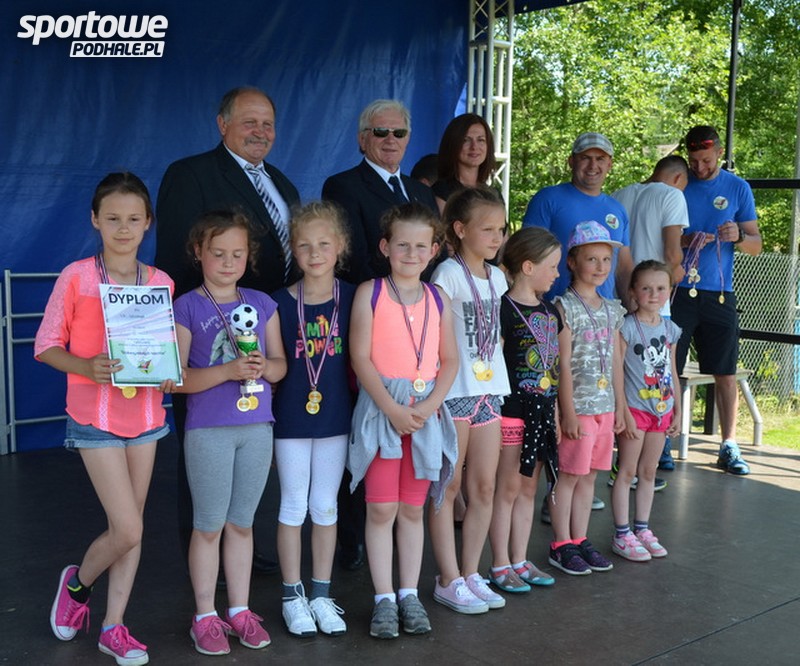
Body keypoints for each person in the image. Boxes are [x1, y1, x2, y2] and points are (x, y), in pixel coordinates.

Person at [156, 85, 299, 572]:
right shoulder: (190, 174)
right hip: (204, 336)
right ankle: (202, 555)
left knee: (251, 447)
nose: (260, 131)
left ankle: (239, 549)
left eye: (268, 124)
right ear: (222, 125)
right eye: (249, 121)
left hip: (266, 330)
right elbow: (175, 258)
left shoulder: (282, 183)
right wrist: (189, 329)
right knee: (202, 452)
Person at [37, 172, 175, 666]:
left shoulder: (160, 282)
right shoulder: (76, 276)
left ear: (148, 223)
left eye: (134, 219)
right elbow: (45, 345)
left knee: (130, 526)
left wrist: (167, 372)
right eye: (113, 218)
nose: (123, 228)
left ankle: (114, 626)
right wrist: (85, 366)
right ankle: (77, 586)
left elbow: (163, 351)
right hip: (94, 417)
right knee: (129, 529)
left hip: (146, 415)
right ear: (95, 220)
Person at [172, 210, 287, 656]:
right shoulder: (186, 306)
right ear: (198, 252)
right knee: (208, 525)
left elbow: (280, 365)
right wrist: (227, 371)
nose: (227, 262)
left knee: (242, 523)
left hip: (256, 427)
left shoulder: (262, 303)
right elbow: (177, 379)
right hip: (209, 431)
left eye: (237, 254)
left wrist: (263, 367)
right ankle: (204, 615)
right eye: (218, 253)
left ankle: (239, 610)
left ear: (248, 256)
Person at [348, 202, 459, 639]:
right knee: (381, 508)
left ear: (434, 250)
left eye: (420, 246)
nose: (411, 254)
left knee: (413, 509)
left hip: (424, 414)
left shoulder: (439, 298)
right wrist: (392, 409)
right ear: (385, 247)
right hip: (383, 411)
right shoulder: (370, 293)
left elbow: (450, 360)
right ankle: (383, 598)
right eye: (402, 245)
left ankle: (408, 593)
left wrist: (428, 407)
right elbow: (360, 357)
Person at [270, 202, 355, 637]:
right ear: (293, 249)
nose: (315, 253)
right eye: (304, 245)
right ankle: (292, 596)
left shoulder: (355, 297)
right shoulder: (278, 303)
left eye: (324, 243)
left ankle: (321, 594)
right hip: (290, 418)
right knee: (292, 504)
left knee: (325, 505)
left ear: (340, 246)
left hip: (336, 417)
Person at [428, 186, 510, 613]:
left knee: (484, 486)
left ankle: (471, 572)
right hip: (456, 391)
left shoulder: (498, 277)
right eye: (488, 229)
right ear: (460, 230)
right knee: (449, 484)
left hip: (489, 390)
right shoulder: (447, 275)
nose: (497, 237)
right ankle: (448, 577)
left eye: (501, 229)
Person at [672, 126, 762, 475]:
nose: (699, 168)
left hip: (719, 292)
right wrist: (684, 240)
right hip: (678, 290)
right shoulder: (678, 183)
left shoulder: (738, 188)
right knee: (669, 368)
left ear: (720, 154)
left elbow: (756, 245)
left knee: (725, 371)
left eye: (706, 161)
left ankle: (729, 444)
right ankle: (662, 441)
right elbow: (658, 233)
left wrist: (738, 236)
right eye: (694, 161)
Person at [548, 221, 627, 576]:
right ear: (572, 261)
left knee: (589, 478)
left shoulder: (613, 309)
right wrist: (566, 411)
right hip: (578, 408)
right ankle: (560, 543)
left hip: (604, 408)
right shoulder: (563, 307)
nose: (600, 266)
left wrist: (620, 407)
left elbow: (615, 362)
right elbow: (561, 363)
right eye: (591, 259)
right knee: (568, 476)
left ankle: (580, 539)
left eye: (606, 260)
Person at [487, 227, 561, 594]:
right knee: (508, 487)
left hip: (542, 412)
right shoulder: (502, 308)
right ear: (528, 267)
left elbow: (554, 366)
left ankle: (519, 558)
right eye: (552, 266)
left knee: (529, 488)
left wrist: (556, 415)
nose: (557, 274)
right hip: (513, 410)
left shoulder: (551, 310)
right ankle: (500, 563)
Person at [613, 154, 690, 472]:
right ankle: (658, 453)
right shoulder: (672, 196)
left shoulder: (619, 194)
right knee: (658, 370)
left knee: (623, 371)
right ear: (678, 178)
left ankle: (623, 455)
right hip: (656, 305)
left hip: (621, 297)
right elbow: (672, 252)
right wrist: (677, 272)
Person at [322, 99, 439, 285]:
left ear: (407, 139)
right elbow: (353, 259)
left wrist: (421, 291)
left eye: (399, 133)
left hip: (423, 295)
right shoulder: (342, 187)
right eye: (381, 132)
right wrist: (395, 291)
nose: (391, 140)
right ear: (362, 139)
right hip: (373, 296)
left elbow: (437, 251)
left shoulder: (422, 191)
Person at [611, 261, 681, 562]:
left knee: (649, 471)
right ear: (633, 292)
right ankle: (622, 533)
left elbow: (672, 371)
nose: (654, 295)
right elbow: (616, 371)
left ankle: (642, 528)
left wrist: (678, 409)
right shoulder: (626, 327)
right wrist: (622, 410)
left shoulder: (670, 329)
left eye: (661, 288)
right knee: (626, 471)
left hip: (661, 409)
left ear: (670, 291)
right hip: (636, 409)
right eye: (646, 288)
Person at [522, 132, 632, 302]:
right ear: (571, 161)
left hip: (605, 312)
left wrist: (631, 310)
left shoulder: (617, 209)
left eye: (600, 159)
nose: (593, 165)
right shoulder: (547, 199)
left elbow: (623, 268)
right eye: (585, 158)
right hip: (555, 308)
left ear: (610, 164)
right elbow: (526, 255)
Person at [432, 113, 497, 213]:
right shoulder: (442, 191)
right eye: (466, 140)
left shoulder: (494, 194)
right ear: (453, 144)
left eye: (481, 140)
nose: (474, 147)